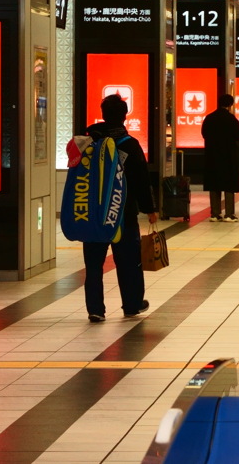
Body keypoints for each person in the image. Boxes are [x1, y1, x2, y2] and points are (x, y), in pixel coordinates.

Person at [83, 94, 157, 323]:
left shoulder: (89, 142)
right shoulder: (130, 145)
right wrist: (150, 208)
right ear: (124, 116)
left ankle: (95, 309)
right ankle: (132, 305)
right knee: (128, 261)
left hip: (94, 213)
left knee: (94, 263)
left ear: (103, 115)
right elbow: (141, 181)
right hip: (123, 213)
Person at [201, 93, 239, 222]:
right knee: (229, 184)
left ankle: (215, 213)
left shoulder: (209, 118)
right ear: (230, 105)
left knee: (214, 184)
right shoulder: (231, 119)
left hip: (212, 155)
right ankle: (229, 214)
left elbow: (204, 134)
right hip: (228, 156)